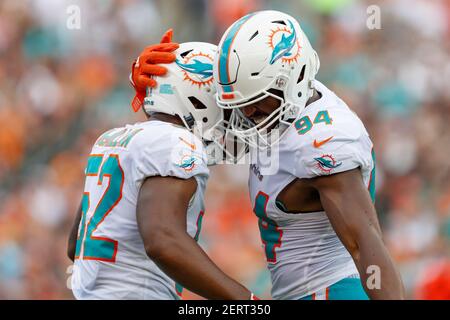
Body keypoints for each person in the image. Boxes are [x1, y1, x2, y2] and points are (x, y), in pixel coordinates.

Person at [134, 11, 405, 300]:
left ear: (291, 80)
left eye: (254, 102)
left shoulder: (324, 138)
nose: (247, 114)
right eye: (239, 104)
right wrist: (157, 84)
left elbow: (364, 242)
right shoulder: (277, 106)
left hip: (331, 292)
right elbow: (206, 117)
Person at [67, 37, 255, 300]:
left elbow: (76, 244)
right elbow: (163, 241)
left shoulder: (111, 139)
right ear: (198, 97)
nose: (232, 117)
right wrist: (246, 300)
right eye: (224, 105)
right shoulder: (176, 142)